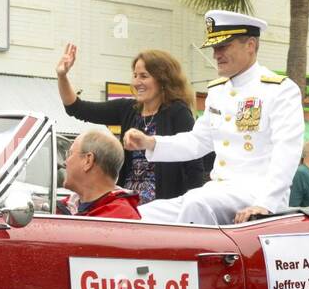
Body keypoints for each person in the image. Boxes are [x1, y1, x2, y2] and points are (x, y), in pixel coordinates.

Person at [123, 10, 304, 225]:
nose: (216, 54)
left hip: (257, 194)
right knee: (139, 214)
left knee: (196, 204)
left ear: (251, 46)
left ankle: (190, 258)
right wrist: (150, 142)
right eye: (215, 48)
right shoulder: (218, 91)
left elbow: (287, 151)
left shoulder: (279, 90)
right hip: (218, 191)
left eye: (223, 46)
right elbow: (197, 141)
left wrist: (266, 203)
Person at [56, 44, 206, 205]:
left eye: (144, 76)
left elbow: (194, 166)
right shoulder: (127, 109)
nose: (137, 82)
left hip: (163, 208)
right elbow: (77, 109)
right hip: (128, 205)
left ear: (163, 79)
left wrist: (193, 209)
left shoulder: (178, 112)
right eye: (135, 75)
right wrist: (62, 76)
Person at [62, 129, 141, 219]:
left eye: (70, 154)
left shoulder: (120, 220)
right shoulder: (65, 207)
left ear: (88, 160)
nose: (65, 162)